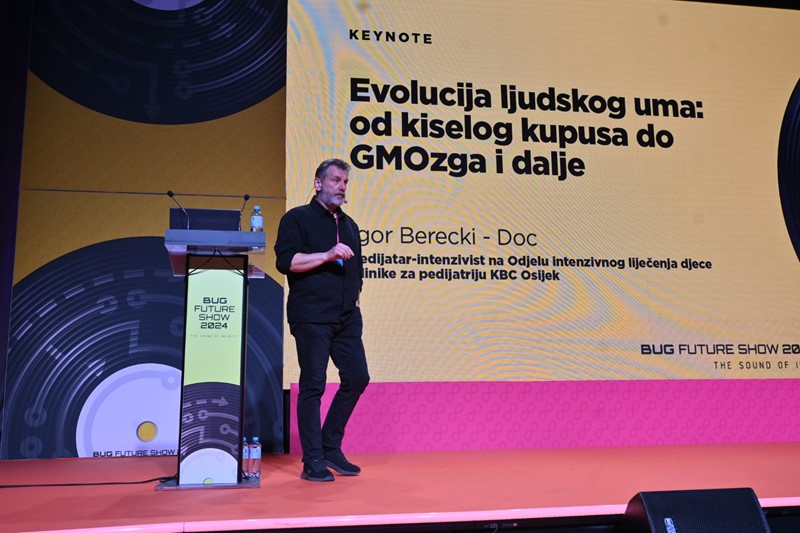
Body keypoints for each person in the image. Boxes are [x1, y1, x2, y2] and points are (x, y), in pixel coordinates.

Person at [274, 158, 370, 482]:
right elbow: (287, 261)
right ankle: (313, 459)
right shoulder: (297, 218)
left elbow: (357, 268)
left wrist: (356, 293)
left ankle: (330, 447)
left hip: (346, 318)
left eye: (345, 182)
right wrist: (328, 255)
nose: (341, 187)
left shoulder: (350, 225)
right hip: (312, 316)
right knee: (313, 385)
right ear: (318, 184)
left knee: (357, 377)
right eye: (335, 180)